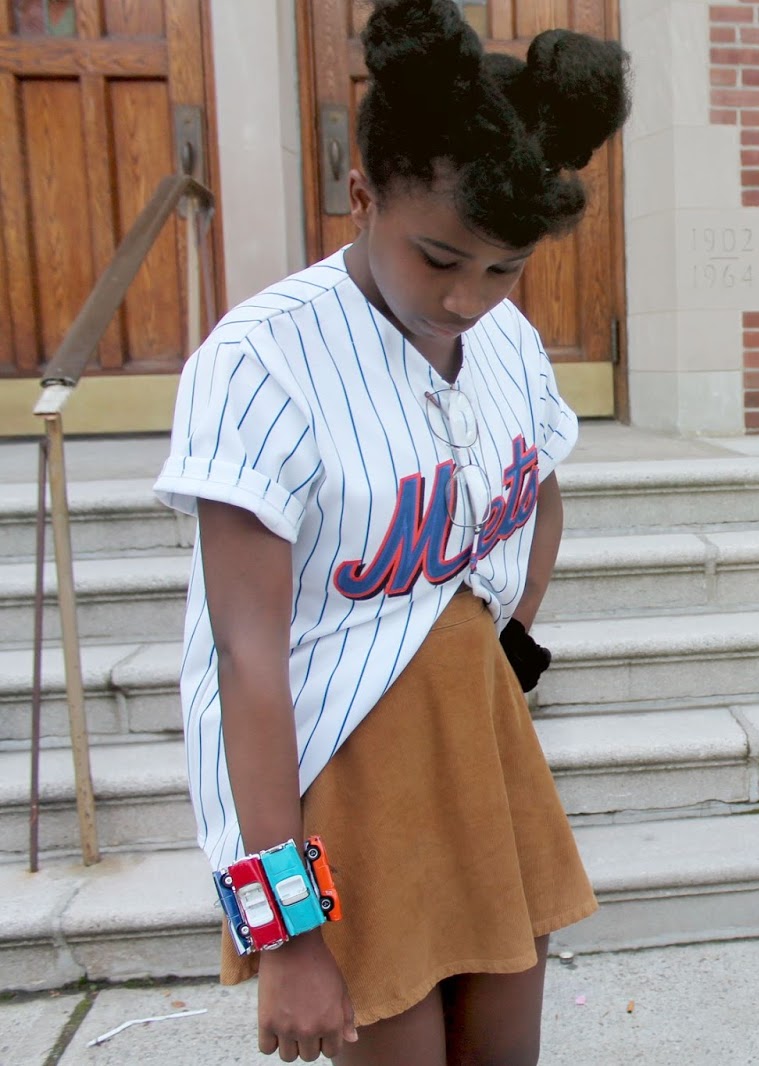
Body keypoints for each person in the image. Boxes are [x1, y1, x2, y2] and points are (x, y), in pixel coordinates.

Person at [153, 2, 629, 1061]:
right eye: (439, 256)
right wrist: (283, 934)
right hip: (341, 766)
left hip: (477, 735)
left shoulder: (505, 339)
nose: (467, 298)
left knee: (505, 1041)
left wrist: (510, 641)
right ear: (361, 191)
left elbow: (541, 488)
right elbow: (242, 658)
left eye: (503, 266)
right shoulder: (260, 362)